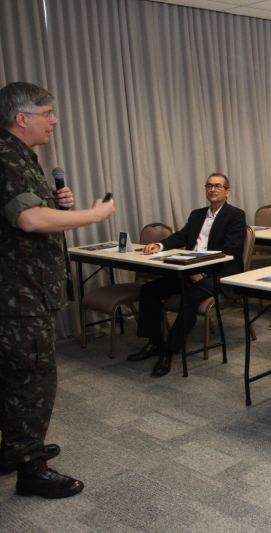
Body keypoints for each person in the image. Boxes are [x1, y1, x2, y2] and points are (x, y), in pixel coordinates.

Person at [0, 81, 115, 498]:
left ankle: (14, 447)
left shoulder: (18, 157)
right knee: (32, 380)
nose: (54, 121)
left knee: (14, 377)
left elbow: (27, 215)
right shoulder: (7, 157)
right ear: (22, 118)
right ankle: (31, 468)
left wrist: (54, 206)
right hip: (20, 298)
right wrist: (93, 214)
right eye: (47, 113)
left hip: (23, 293)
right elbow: (28, 222)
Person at [128, 173, 246, 377]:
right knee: (149, 290)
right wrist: (160, 245)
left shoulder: (235, 215)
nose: (213, 189)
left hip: (219, 273)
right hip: (190, 269)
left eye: (218, 186)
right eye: (209, 185)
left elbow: (231, 251)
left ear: (228, 191)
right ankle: (155, 342)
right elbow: (182, 236)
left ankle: (169, 351)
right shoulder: (197, 214)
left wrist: (203, 271)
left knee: (190, 298)